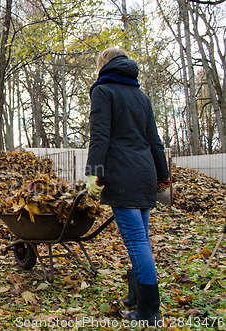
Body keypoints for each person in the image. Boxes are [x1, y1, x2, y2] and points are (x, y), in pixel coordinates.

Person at [85, 47, 170, 327]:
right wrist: (163, 175)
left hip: (122, 175)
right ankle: (136, 295)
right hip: (144, 173)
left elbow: (99, 137)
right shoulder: (141, 97)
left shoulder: (103, 91)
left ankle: (148, 311)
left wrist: (94, 173)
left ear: (104, 66)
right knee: (141, 239)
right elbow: (154, 141)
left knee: (136, 242)